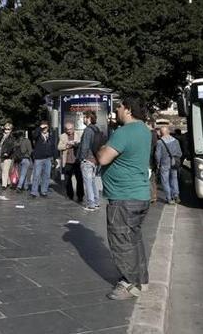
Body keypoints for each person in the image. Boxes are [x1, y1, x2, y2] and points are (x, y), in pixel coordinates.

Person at [96, 97, 152, 301]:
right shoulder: (144, 130)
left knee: (122, 242)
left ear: (128, 109)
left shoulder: (124, 132)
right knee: (134, 240)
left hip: (123, 197)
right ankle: (141, 281)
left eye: (119, 107)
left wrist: (100, 148)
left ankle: (129, 284)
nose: (116, 110)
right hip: (140, 195)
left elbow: (103, 158)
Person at [78, 111, 102, 211]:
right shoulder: (96, 129)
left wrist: (82, 158)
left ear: (88, 118)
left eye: (84, 117)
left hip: (87, 159)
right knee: (92, 181)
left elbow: (85, 146)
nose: (83, 119)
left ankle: (91, 204)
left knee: (88, 182)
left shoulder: (88, 130)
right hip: (95, 159)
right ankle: (96, 202)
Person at [155, 124, 183, 204]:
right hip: (174, 163)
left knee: (165, 181)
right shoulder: (176, 141)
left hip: (164, 163)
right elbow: (180, 153)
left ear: (161, 133)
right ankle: (176, 195)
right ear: (168, 132)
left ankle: (169, 198)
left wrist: (158, 163)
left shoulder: (159, 142)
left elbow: (158, 155)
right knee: (174, 179)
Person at [31, 119, 58, 197]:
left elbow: (53, 147)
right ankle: (34, 191)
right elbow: (34, 135)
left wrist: (55, 158)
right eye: (43, 127)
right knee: (36, 175)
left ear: (48, 127)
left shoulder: (50, 136)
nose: (44, 129)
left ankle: (44, 191)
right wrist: (40, 127)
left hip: (48, 158)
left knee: (46, 176)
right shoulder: (38, 135)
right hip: (38, 158)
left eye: (46, 127)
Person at [59, 122, 84, 202]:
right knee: (67, 179)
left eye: (70, 129)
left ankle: (80, 195)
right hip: (67, 161)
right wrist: (67, 145)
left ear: (73, 128)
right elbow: (59, 147)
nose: (68, 131)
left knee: (79, 179)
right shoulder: (63, 136)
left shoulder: (79, 134)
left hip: (77, 160)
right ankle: (70, 195)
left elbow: (82, 145)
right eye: (67, 129)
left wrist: (76, 144)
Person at [0, 123, 16, 190]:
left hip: (7, 156)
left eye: (8, 129)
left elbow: (11, 146)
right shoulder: (2, 136)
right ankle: (8, 182)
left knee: (5, 171)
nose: (6, 130)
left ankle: (4, 185)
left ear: (11, 130)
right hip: (1, 155)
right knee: (3, 169)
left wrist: (7, 153)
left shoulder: (11, 137)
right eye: (5, 129)